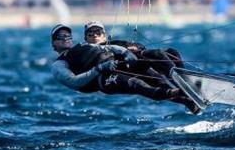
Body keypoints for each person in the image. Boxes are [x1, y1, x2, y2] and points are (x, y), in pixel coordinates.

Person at [50, 23, 199, 113]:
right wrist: (99, 69)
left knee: (161, 54)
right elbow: (74, 82)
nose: (65, 38)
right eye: (60, 37)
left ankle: (189, 88)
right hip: (103, 79)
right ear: (54, 44)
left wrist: (126, 51)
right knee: (138, 85)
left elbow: (111, 47)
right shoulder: (58, 64)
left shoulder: (84, 46)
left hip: (119, 65)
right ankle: (181, 92)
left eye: (67, 35)